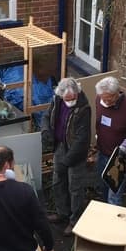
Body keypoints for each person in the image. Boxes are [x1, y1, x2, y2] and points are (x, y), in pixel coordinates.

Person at [40, 77, 91, 236]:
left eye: (73, 98)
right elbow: (46, 117)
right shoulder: (57, 100)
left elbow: (82, 138)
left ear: (77, 93)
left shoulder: (84, 109)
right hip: (60, 146)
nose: (70, 102)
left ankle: (74, 220)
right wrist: (46, 131)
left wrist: (69, 159)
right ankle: (62, 213)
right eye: (67, 99)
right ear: (61, 95)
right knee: (58, 181)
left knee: (74, 187)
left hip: (75, 151)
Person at [94, 76, 126, 205]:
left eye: (108, 98)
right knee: (103, 189)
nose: (105, 101)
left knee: (114, 195)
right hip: (102, 153)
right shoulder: (99, 100)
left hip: (119, 157)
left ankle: (114, 221)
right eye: (102, 98)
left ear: (117, 93)